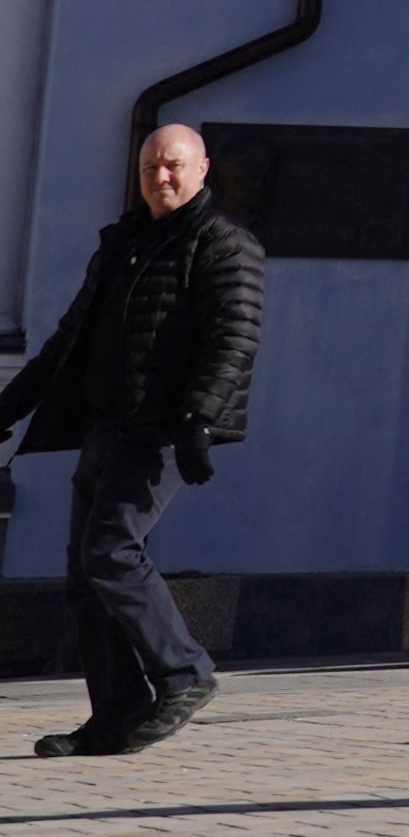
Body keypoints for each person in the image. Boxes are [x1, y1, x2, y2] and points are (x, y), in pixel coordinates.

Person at [4, 124, 261, 759]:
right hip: (105, 427)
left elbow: (233, 339)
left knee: (112, 550)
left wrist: (200, 420)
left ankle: (185, 673)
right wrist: (7, 407)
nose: (161, 178)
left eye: (173, 166)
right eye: (150, 168)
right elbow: (69, 341)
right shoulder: (122, 245)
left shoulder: (223, 243)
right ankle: (115, 715)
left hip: (163, 430)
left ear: (203, 168)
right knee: (84, 577)